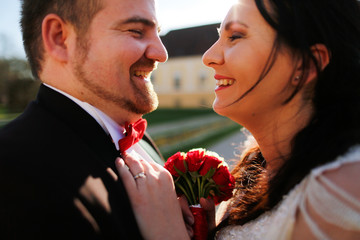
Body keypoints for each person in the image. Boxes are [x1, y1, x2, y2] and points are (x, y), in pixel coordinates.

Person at [115, 0, 360, 239]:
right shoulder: (261, 168)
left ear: (306, 65)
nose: (209, 56)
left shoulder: (342, 191)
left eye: (235, 36)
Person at [0, 0, 176, 239]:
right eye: (136, 31)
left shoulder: (140, 141)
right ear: (59, 38)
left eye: (158, 33)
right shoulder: (12, 172)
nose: (161, 53)